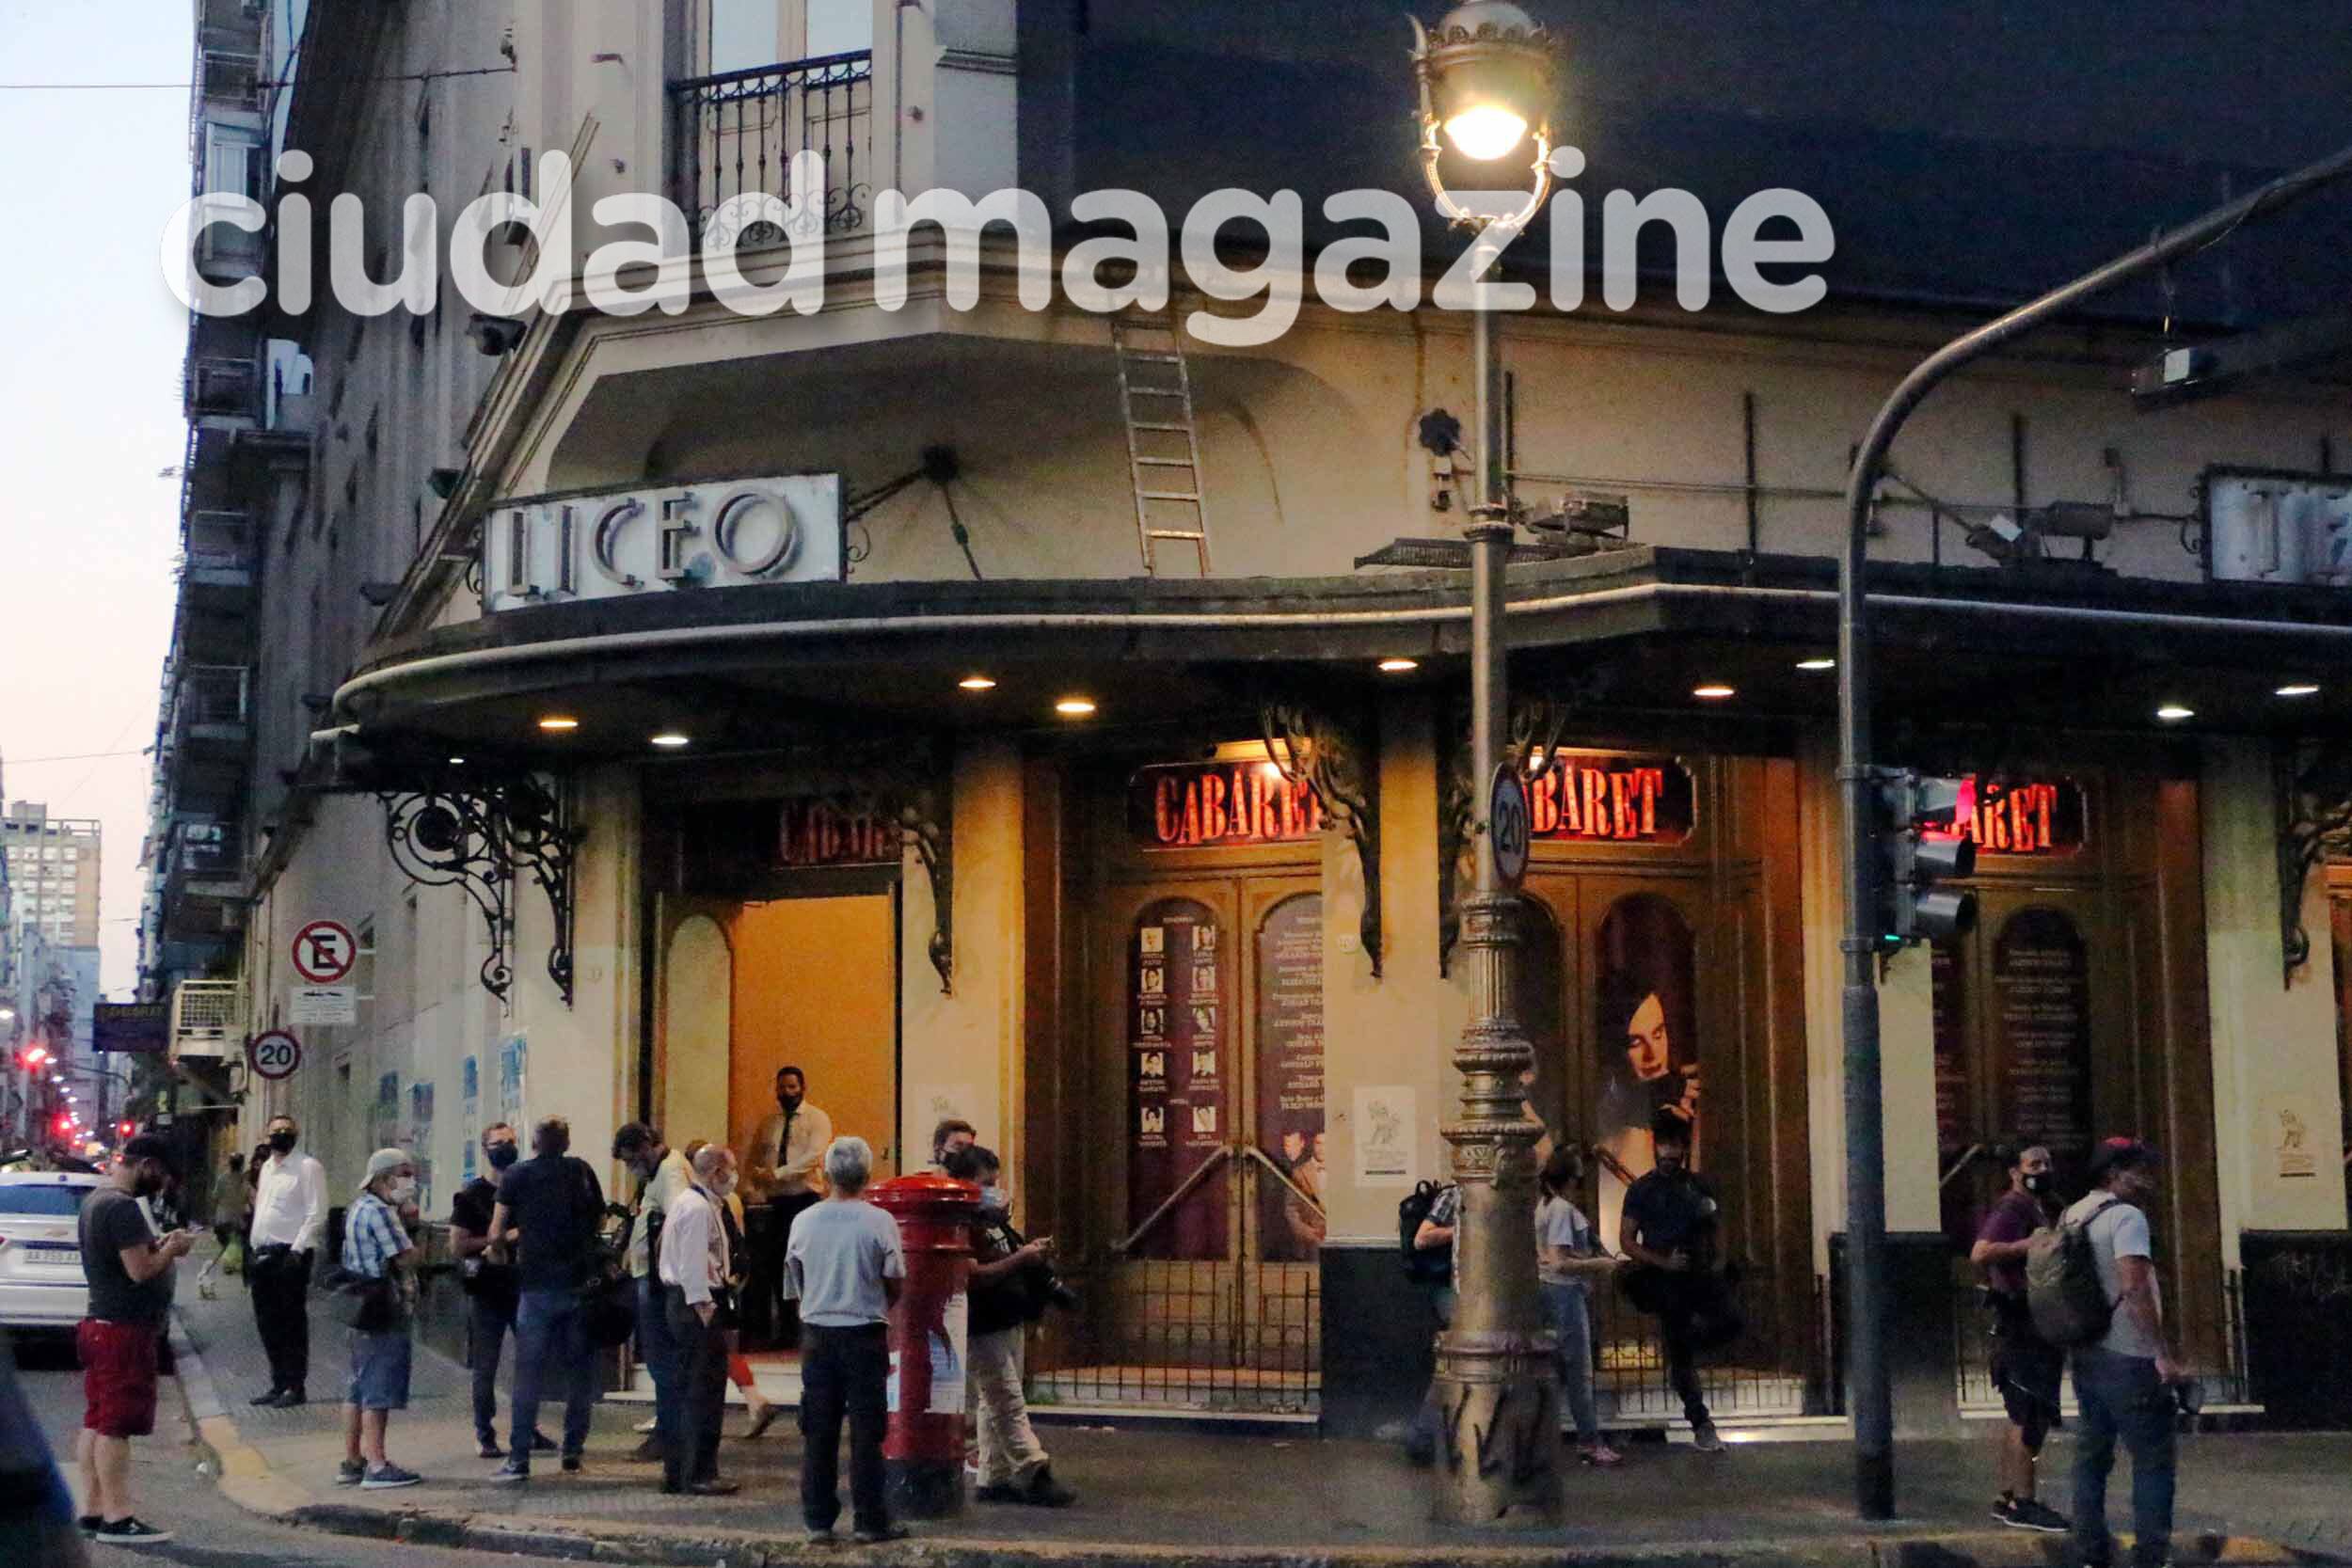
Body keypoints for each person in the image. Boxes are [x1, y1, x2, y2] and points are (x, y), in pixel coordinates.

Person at [2066, 1138, 2185, 1568]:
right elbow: (2134, 1287)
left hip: (2088, 1351)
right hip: (2129, 1356)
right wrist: (2162, 1354)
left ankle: (2089, 1551)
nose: (2147, 1178)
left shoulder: (2075, 1213)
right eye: (2139, 1169)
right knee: (2153, 1460)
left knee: (2091, 1457)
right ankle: (2152, 1555)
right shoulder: (2127, 1217)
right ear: (2114, 1174)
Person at [73, 1133, 195, 1544]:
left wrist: (158, 1245)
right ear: (144, 1164)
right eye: (159, 1174)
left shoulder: (96, 1201)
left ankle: (92, 1510)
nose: (160, 1183)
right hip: (124, 1330)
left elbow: (124, 1258)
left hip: (100, 1324)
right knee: (116, 1426)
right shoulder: (122, 1208)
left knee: (97, 1420)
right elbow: (140, 1271)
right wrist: (172, 1250)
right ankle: (118, 1516)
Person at [787, 1136, 907, 1544]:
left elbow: (795, 1280)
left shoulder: (803, 1221)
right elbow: (895, 1280)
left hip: (818, 1334)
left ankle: (817, 1519)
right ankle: (870, 1519)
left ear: (826, 1172)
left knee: (818, 1429)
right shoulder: (880, 1221)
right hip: (864, 1332)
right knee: (867, 1431)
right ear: (868, 1175)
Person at [945, 1145, 1074, 1507]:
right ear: (966, 1182)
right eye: (987, 1182)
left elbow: (999, 1257)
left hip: (1001, 1317)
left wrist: (1025, 1252)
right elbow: (973, 1275)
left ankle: (993, 1475)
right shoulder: (960, 1222)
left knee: (994, 1398)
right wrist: (1022, 1257)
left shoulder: (988, 1218)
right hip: (983, 1322)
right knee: (1007, 1399)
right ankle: (1033, 1468)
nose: (994, 1188)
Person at [489, 1116, 607, 1482]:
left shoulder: (516, 1176)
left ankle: (519, 1458)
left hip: (536, 1288)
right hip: (579, 1287)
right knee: (580, 1376)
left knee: (528, 1376)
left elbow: (496, 1231)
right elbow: (600, 1219)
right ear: (567, 1143)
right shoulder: (582, 1171)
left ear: (535, 1144)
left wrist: (500, 1253)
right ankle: (572, 1453)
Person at [1969, 1142, 2067, 1532]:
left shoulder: (2041, 1205)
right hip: (2022, 1323)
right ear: (2014, 1171)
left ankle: (2009, 1496)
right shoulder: (2013, 1207)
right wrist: (2025, 1246)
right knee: (2030, 1412)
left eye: (2047, 1162)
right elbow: (1980, 1252)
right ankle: (2024, 1502)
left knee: (2022, 1413)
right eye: (2034, 1163)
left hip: (2032, 1321)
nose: (2042, 1170)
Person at [1619, 1116, 1730, 1452]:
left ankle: (1688, 1362)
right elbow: (1627, 1240)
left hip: (1698, 1272)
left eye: (1675, 1145)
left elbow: (1717, 1223)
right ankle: (1701, 1422)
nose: (1669, 1152)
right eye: (1664, 1145)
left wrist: (1719, 1260)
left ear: (1683, 1147)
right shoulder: (1642, 1189)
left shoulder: (1698, 1186)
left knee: (1726, 1322)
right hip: (1665, 1279)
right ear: (1656, 1147)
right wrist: (1662, 1262)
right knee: (1681, 1351)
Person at [450, 1123, 556, 1460]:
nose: (505, 1148)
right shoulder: (471, 1196)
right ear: (485, 1149)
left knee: (531, 1361)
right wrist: (502, 1238)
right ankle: (485, 1433)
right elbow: (458, 1244)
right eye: (497, 1143)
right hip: (487, 1289)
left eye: (510, 1141)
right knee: (486, 1365)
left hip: (525, 1285)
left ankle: (528, 1428)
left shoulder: (527, 1185)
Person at [337, 1148, 424, 1491]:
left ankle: (353, 1459)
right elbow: (405, 1258)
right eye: (404, 1174)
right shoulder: (382, 1214)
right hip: (384, 1307)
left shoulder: (356, 1209)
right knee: (378, 1387)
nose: (408, 1180)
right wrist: (417, 1236)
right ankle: (376, 1463)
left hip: (359, 1305)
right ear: (385, 1178)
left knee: (357, 1386)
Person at [682, 1138, 782, 1437]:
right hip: (730, 1279)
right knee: (725, 1347)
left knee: (716, 1351)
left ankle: (754, 1400)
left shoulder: (706, 1202)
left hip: (716, 1283)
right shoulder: (724, 1199)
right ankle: (755, 1400)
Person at [659, 1144, 743, 1496]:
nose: (734, 1176)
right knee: (703, 1392)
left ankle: (681, 1471)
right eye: (731, 1169)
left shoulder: (701, 1204)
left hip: (690, 1302)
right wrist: (704, 1306)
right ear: (716, 1171)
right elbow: (693, 1264)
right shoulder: (696, 1209)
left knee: (688, 1389)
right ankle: (699, 1473)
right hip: (697, 1303)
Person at [1536, 1146, 1623, 1467]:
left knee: (1557, 1371)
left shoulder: (1544, 1206)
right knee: (1579, 1372)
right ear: (1572, 1178)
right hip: (1565, 1295)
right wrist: (1601, 1263)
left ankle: (1545, 1438)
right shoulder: (1561, 1210)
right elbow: (1559, 1262)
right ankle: (1590, 1441)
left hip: (1550, 1292)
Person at [614, 1122, 695, 1465]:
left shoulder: (672, 1171)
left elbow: (678, 1217)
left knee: (663, 1361)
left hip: (658, 1282)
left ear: (649, 1146)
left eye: (634, 1160)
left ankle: (669, 1434)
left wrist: (662, 1262)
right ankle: (669, 1431)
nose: (632, 1168)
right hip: (653, 1278)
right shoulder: (661, 1171)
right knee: (662, 1362)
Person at [746, 1067, 833, 1347]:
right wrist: (756, 1181)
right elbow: (755, 1156)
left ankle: (810, 1328)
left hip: (804, 1201)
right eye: (782, 1087)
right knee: (775, 1265)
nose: (786, 1093)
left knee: (804, 1264)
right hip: (775, 1203)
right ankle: (785, 1330)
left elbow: (814, 1156)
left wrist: (779, 1173)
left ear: (803, 1088)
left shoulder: (817, 1118)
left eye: (792, 1087)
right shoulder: (769, 1123)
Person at [246, 1113, 326, 1407]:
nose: (281, 1134)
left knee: (291, 1322)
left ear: (296, 1134)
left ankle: (295, 1385)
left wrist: (297, 1250)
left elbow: (316, 1213)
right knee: (267, 1322)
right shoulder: (267, 1167)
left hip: (289, 1255)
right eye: (275, 1130)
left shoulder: (307, 1167)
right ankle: (277, 1383)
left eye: (286, 1130)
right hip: (261, 1254)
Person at [1401, 1177, 1458, 1465]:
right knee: (1456, 1359)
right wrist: (1460, 1231)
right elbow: (1422, 1238)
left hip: (1465, 1289)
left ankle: (1429, 1436)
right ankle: (1423, 1437)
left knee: (1458, 1362)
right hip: (1449, 1287)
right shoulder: (1454, 1196)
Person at [195, 1151, 250, 1299]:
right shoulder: (245, 1182)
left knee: (221, 1248)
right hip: (238, 1221)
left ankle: (207, 1276)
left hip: (223, 1219)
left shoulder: (222, 1179)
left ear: (230, 1163)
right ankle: (240, 1276)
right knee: (239, 1247)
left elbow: (215, 1197)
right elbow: (248, 1200)